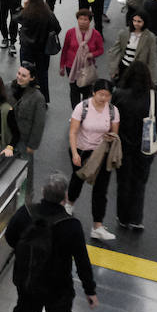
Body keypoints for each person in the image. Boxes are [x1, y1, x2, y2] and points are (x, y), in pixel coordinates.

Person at [4, 173, 98, 312]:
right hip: (58, 286)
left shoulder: (25, 213)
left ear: (44, 192)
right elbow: (82, 261)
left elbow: (10, 238)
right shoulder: (71, 225)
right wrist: (90, 290)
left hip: (28, 284)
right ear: (65, 197)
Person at [112, 62, 157, 231]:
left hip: (122, 146)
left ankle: (123, 218)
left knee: (123, 182)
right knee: (139, 182)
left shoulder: (119, 94)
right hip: (145, 147)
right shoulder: (154, 97)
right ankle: (136, 219)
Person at [65, 79, 121, 241]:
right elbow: (73, 132)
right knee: (78, 178)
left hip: (102, 153)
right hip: (82, 150)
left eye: (108, 95)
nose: (104, 98)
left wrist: (110, 138)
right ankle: (70, 203)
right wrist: (75, 153)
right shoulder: (82, 108)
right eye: (101, 95)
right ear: (94, 93)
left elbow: (114, 133)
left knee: (101, 189)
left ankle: (97, 226)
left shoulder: (113, 111)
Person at [15, 0, 60, 102]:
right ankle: (43, 99)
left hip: (27, 49)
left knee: (25, 74)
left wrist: (23, 7)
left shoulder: (26, 13)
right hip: (43, 49)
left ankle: (24, 97)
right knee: (43, 74)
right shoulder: (48, 13)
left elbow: (15, 17)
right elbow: (57, 28)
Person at [60, 8, 105, 110]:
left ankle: (85, 111)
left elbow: (100, 50)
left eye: (85, 19)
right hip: (71, 66)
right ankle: (75, 112)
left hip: (87, 67)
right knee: (74, 90)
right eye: (80, 19)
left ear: (90, 21)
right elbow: (65, 49)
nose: (82, 21)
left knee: (86, 91)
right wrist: (62, 66)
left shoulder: (96, 35)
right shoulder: (70, 33)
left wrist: (92, 54)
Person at [12, 65, 49, 182]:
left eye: (24, 75)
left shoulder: (38, 98)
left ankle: (25, 197)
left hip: (23, 140)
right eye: (18, 73)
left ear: (31, 78)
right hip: (8, 137)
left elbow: (39, 123)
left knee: (23, 173)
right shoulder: (8, 88)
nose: (19, 77)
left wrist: (32, 145)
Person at [105, 9, 157, 84]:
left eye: (139, 21)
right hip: (123, 67)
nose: (136, 23)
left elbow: (152, 58)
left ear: (145, 22)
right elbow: (115, 51)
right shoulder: (124, 33)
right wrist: (113, 69)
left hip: (138, 72)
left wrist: (152, 80)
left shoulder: (150, 37)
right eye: (134, 20)